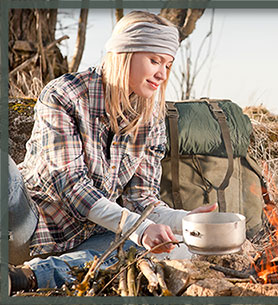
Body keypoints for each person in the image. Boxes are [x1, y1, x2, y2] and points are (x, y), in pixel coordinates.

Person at [8, 10, 217, 294]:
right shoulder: (64, 95)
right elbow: (72, 186)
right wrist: (139, 229)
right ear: (124, 54)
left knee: (176, 249)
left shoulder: (152, 118)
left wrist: (186, 221)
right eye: (154, 60)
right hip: (29, 225)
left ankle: (25, 278)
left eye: (168, 64)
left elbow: (141, 201)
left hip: (90, 238)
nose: (162, 74)